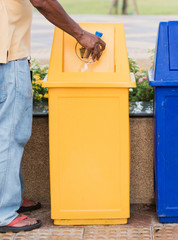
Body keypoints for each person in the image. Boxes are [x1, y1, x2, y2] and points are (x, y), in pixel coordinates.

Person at [0, 0, 106, 233]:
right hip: (7, 57)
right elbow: (42, 1)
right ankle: (4, 212)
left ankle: (12, 197)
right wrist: (80, 34)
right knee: (10, 135)